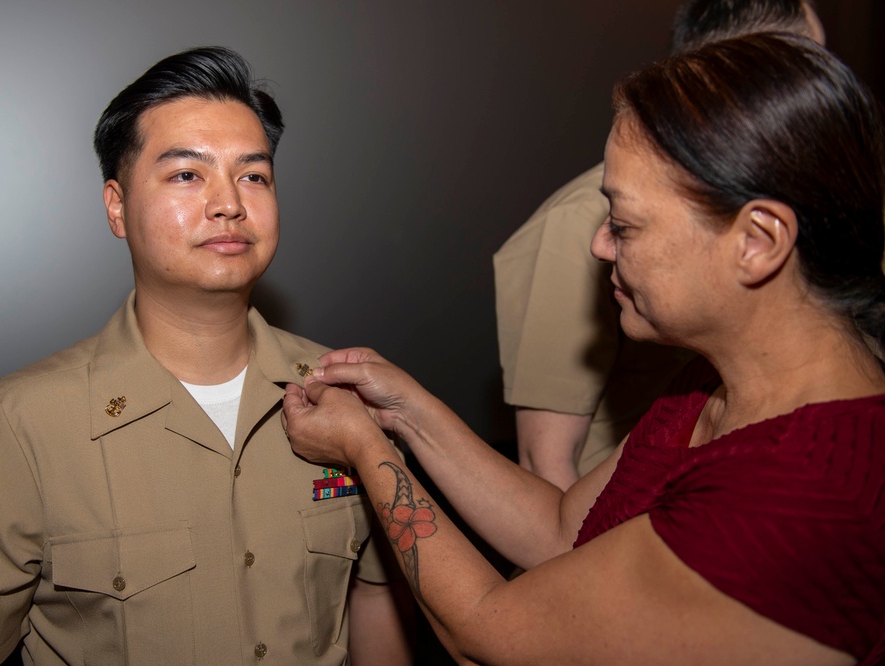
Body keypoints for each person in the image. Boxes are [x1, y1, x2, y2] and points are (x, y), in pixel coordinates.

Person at [283, 33, 885, 664]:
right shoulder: (707, 382)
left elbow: (490, 632)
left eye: (624, 224)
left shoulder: (807, 494)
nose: (600, 245)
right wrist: (407, 409)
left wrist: (365, 448)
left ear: (758, 241)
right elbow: (565, 529)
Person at [0, 47, 410, 665]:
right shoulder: (20, 424)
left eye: (254, 175)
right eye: (187, 174)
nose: (229, 204)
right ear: (116, 206)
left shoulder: (346, 396)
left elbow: (376, 601)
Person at [494, 0, 825, 490]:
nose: (824, 88)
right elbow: (546, 466)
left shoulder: (804, 203)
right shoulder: (578, 223)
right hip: (614, 523)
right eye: (801, 66)